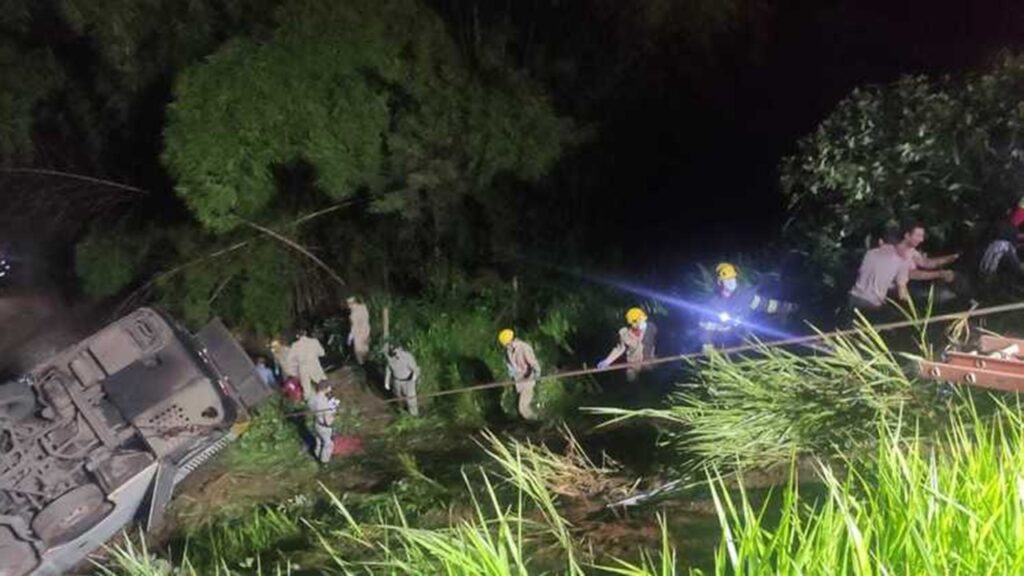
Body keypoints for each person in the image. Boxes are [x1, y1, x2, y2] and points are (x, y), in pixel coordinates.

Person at [698, 262, 796, 351]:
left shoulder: (745, 296)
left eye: (733, 278)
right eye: (728, 280)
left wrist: (790, 307)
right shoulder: (713, 305)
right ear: (720, 282)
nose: (732, 282)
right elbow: (706, 330)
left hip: (743, 339)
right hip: (722, 344)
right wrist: (707, 347)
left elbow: (766, 305)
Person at [848, 228, 911, 314]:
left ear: (881, 241)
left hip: (854, 298)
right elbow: (902, 293)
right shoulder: (901, 261)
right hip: (872, 304)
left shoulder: (869, 253)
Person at [896, 221, 959, 302]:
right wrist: (939, 274)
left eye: (922, 236)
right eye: (918, 236)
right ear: (907, 235)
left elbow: (925, 263)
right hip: (903, 287)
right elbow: (910, 274)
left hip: (914, 283)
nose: (921, 240)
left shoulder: (910, 249)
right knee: (945, 296)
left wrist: (950, 258)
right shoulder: (899, 251)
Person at [597, 308, 657, 382]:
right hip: (633, 366)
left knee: (652, 382)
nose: (642, 323)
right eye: (639, 321)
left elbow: (654, 342)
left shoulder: (651, 328)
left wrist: (653, 357)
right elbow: (620, 349)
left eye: (643, 320)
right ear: (632, 322)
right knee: (631, 382)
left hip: (649, 364)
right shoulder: (625, 333)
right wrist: (606, 362)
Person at [499, 329, 542, 420]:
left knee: (523, 408)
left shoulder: (524, 347)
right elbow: (511, 368)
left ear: (511, 341)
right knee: (519, 408)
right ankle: (531, 425)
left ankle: (536, 421)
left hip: (528, 381)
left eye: (507, 345)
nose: (506, 347)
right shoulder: (508, 351)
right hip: (518, 383)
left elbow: (534, 364)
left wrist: (535, 377)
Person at [286, 328, 327, 401]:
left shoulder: (295, 346)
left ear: (297, 336)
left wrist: (293, 372)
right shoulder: (314, 342)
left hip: (303, 368)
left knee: (307, 390)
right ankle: (327, 401)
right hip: (314, 366)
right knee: (321, 384)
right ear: (305, 333)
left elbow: (290, 360)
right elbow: (322, 353)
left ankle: (312, 406)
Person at [384, 344, 420, 416]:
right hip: (397, 381)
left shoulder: (407, 357)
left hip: (408, 381)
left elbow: (415, 368)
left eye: (395, 349)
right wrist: (387, 382)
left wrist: (415, 376)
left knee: (411, 399)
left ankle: (414, 415)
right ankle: (402, 413)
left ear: (400, 348)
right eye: (392, 350)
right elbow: (388, 370)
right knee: (399, 398)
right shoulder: (390, 358)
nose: (394, 352)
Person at [308, 380, 338, 465]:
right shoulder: (323, 401)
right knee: (328, 444)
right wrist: (333, 412)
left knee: (319, 441)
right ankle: (324, 462)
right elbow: (328, 422)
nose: (331, 388)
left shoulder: (313, 397)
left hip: (316, 423)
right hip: (324, 426)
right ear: (326, 388)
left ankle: (317, 456)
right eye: (329, 387)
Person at [346, 296, 371, 365]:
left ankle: (362, 364)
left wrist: (350, 337)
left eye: (349, 304)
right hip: (366, 330)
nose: (348, 306)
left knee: (359, 350)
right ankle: (368, 363)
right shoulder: (363, 307)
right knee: (366, 347)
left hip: (359, 334)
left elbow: (354, 327)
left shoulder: (353, 314)